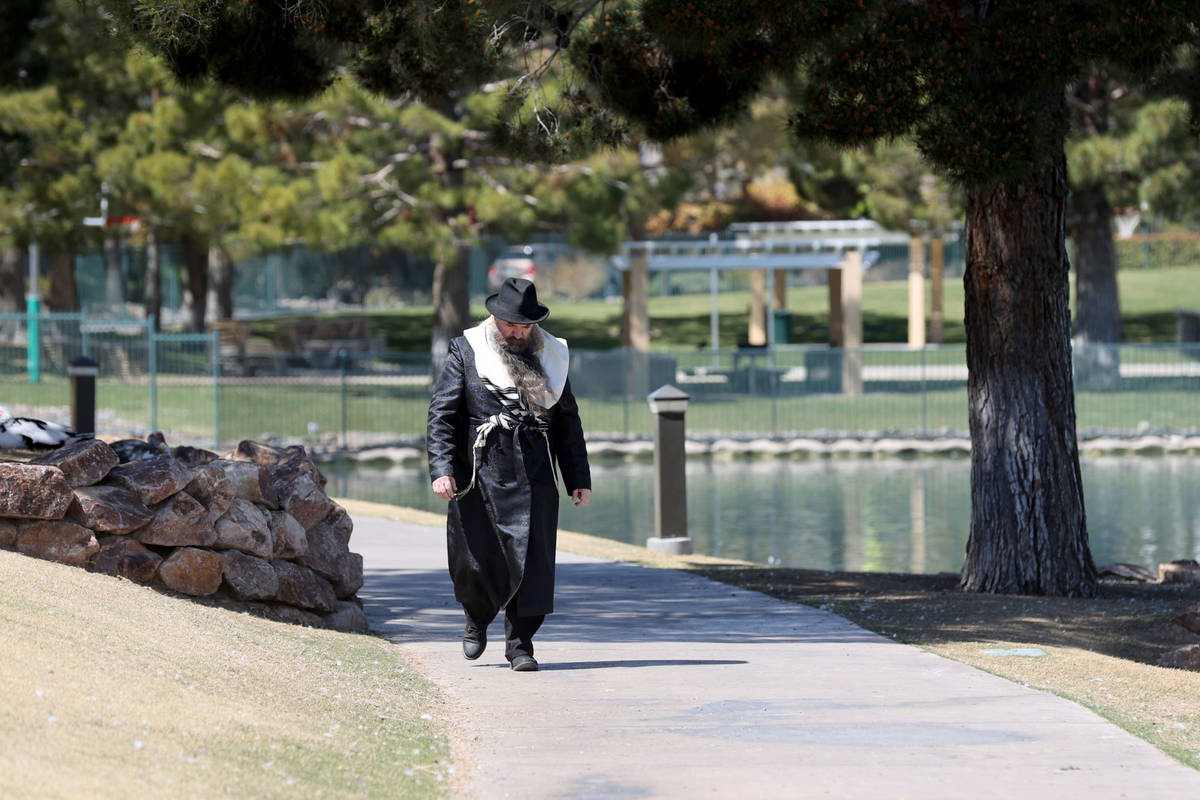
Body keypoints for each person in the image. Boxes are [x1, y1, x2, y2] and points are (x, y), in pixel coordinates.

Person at [427, 277, 592, 672]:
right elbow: (443, 415)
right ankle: (476, 619)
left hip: (534, 470)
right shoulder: (467, 350)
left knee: (534, 560)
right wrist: (442, 469)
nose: (518, 333)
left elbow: (567, 422)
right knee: (477, 555)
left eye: (524, 326)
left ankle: (521, 645)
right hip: (480, 471)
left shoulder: (552, 355)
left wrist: (578, 478)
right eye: (511, 325)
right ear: (495, 318)